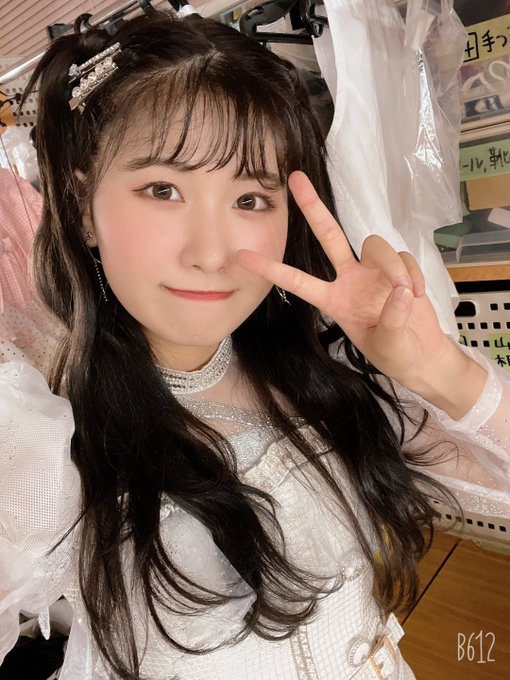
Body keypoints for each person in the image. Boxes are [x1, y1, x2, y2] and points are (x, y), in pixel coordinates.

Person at [0, 10, 509, 680]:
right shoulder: (47, 442)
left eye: (249, 200)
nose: (212, 254)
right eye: (163, 189)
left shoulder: (322, 380)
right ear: (82, 206)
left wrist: (437, 368)